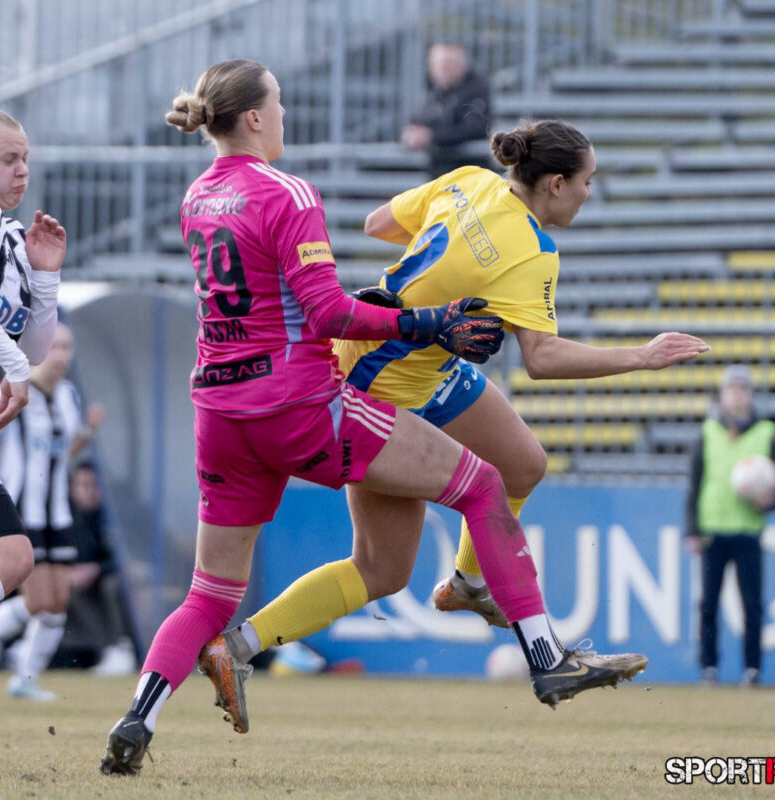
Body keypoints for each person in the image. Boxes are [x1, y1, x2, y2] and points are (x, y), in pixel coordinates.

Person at [99, 57, 510, 776]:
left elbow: (273, 298)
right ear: (254, 117)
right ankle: (545, 651)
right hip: (297, 402)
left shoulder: (197, 194)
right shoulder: (287, 192)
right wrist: (427, 323)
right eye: (279, 103)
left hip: (221, 410)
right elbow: (323, 314)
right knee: (478, 480)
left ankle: (138, 718)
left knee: (207, 593)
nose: (286, 115)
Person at [211, 121, 710, 713]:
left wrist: (444, 270)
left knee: (524, 463)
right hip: (381, 387)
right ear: (554, 184)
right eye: (587, 182)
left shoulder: (469, 181)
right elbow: (543, 360)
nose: (589, 193)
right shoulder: (533, 252)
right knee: (381, 569)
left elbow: (379, 225)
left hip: (423, 366)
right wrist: (643, 356)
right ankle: (240, 644)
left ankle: (470, 585)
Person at [0, 107, 65, 645]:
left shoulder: (7, 236)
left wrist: (46, 277)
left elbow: (32, 347)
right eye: (8, 159)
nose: (22, 171)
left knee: (11, 554)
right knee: (11, 553)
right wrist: (12, 369)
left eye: (26, 159)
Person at [0, 323, 104, 699]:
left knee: (56, 602)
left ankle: (24, 678)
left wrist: (88, 433)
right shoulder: (9, 391)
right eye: (56, 347)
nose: (62, 355)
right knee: (35, 600)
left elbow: (66, 452)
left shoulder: (67, 396)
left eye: (68, 347)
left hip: (57, 512)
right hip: (21, 507)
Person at [684, 365, 773, 686]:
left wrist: (768, 501)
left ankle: (752, 669)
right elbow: (695, 484)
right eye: (732, 389)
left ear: (750, 394)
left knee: (752, 604)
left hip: (748, 530)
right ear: (722, 395)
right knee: (708, 603)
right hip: (712, 532)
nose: (737, 394)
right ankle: (709, 667)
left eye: (743, 389)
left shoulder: (766, 432)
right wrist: (691, 529)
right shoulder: (708, 432)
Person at [65, 461, 136, 676]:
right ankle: (106, 649)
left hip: (114, 582)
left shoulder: (118, 517)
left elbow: (130, 558)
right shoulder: (65, 517)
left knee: (112, 585)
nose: (89, 491)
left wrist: (96, 569)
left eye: (94, 484)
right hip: (81, 587)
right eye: (82, 484)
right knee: (57, 584)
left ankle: (120, 648)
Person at [401, 43, 491, 178]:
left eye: (450, 63)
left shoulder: (476, 89)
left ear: (463, 65)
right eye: (440, 64)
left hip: (469, 176)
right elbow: (420, 120)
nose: (445, 69)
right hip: (438, 173)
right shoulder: (435, 93)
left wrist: (431, 136)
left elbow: (475, 128)